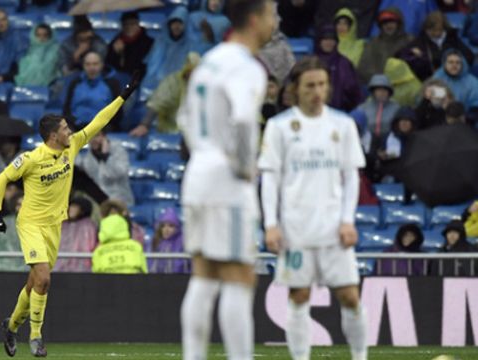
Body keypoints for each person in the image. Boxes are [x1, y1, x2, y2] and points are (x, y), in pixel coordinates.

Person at [0, 71, 140, 357]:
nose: (70, 131)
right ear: (52, 135)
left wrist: (123, 96)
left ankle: (11, 325)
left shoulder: (72, 148)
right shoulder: (31, 159)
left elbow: (100, 120)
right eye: (65, 128)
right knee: (44, 279)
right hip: (31, 223)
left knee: (34, 282)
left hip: (54, 226)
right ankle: (35, 336)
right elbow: (1, 179)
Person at [178, 1, 276, 359]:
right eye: (271, 13)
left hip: (198, 172)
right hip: (226, 178)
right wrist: (244, 166)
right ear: (254, 19)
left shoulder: (208, 61)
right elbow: (245, 119)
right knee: (239, 277)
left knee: (203, 276)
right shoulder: (246, 67)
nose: (275, 20)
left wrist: (204, 152)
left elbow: (185, 118)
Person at [259, 57, 368, 360]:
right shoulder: (279, 127)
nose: (317, 91)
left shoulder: (343, 125)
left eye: (322, 84)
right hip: (296, 229)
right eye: (310, 85)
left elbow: (351, 177)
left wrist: (348, 220)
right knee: (299, 295)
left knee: (350, 295)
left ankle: (360, 357)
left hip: (334, 228)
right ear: (295, 89)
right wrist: (271, 224)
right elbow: (270, 178)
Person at [129, 53, 200, 137]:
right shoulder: (173, 82)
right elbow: (157, 104)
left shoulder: (203, 85)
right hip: (171, 131)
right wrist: (144, 125)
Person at [397, 11, 474, 82]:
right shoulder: (419, 42)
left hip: (454, 80)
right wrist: (414, 56)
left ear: (444, 28)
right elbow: (402, 58)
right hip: (428, 81)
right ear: (426, 29)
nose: (435, 33)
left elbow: (469, 57)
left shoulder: (453, 40)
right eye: (431, 30)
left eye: (438, 30)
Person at [63, 51, 121, 130]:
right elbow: (66, 111)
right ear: (83, 66)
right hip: (77, 128)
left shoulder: (112, 84)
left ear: (101, 65)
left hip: (103, 129)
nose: (92, 68)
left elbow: (118, 112)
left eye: (95, 64)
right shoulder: (75, 83)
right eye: (88, 64)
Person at [75, 130, 134, 206]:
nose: (93, 140)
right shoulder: (88, 158)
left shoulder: (118, 151)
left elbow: (119, 173)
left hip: (120, 201)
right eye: (90, 137)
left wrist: (106, 156)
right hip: (99, 203)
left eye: (96, 136)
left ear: (104, 137)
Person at [357, 8, 412, 84]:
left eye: (392, 22)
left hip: (404, 86)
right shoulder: (373, 43)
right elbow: (364, 67)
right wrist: (380, 82)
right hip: (379, 87)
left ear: (399, 23)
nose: (388, 26)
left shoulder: (409, 41)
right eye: (385, 23)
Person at [314, 25, 362, 112]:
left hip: (340, 111)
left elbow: (353, 90)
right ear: (319, 42)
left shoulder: (344, 63)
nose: (328, 43)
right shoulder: (310, 63)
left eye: (331, 40)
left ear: (336, 42)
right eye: (325, 39)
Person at [54, 196, 97, 272]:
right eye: (71, 206)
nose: (71, 209)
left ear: (83, 210)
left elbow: (89, 246)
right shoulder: (63, 224)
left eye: (75, 207)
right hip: (59, 267)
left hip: (81, 268)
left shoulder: (88, 225)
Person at [105, 11, 154, 77]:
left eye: (132, 24)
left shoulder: (149, 43)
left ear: (138, 24)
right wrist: (115, 53)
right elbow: (109, 64)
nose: (129, 27)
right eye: (125, 24)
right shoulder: (116, 42)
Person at [432, 49, 478, 116]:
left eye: (457, 62)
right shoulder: (438, 78)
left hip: (465, 119)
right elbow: (434, 103)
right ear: (444, 64)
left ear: (462, 64)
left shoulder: (472, 82)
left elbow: (475, 104)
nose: (454, 65)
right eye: (450, 62)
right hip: (441, 119)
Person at [356, 74, 400, 140]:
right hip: (367, 142)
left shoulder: (396, 108)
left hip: (390, 142)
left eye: (385, 90)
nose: (382, 92)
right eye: (379, 90)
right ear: (373, 91)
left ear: (389, 92)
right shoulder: (362, 108)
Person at [148, 207, 188, 273]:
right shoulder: (156, 242)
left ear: (177, 228)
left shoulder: (182, 242)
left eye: (171, 226)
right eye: (163, 226)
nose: (166, 229)